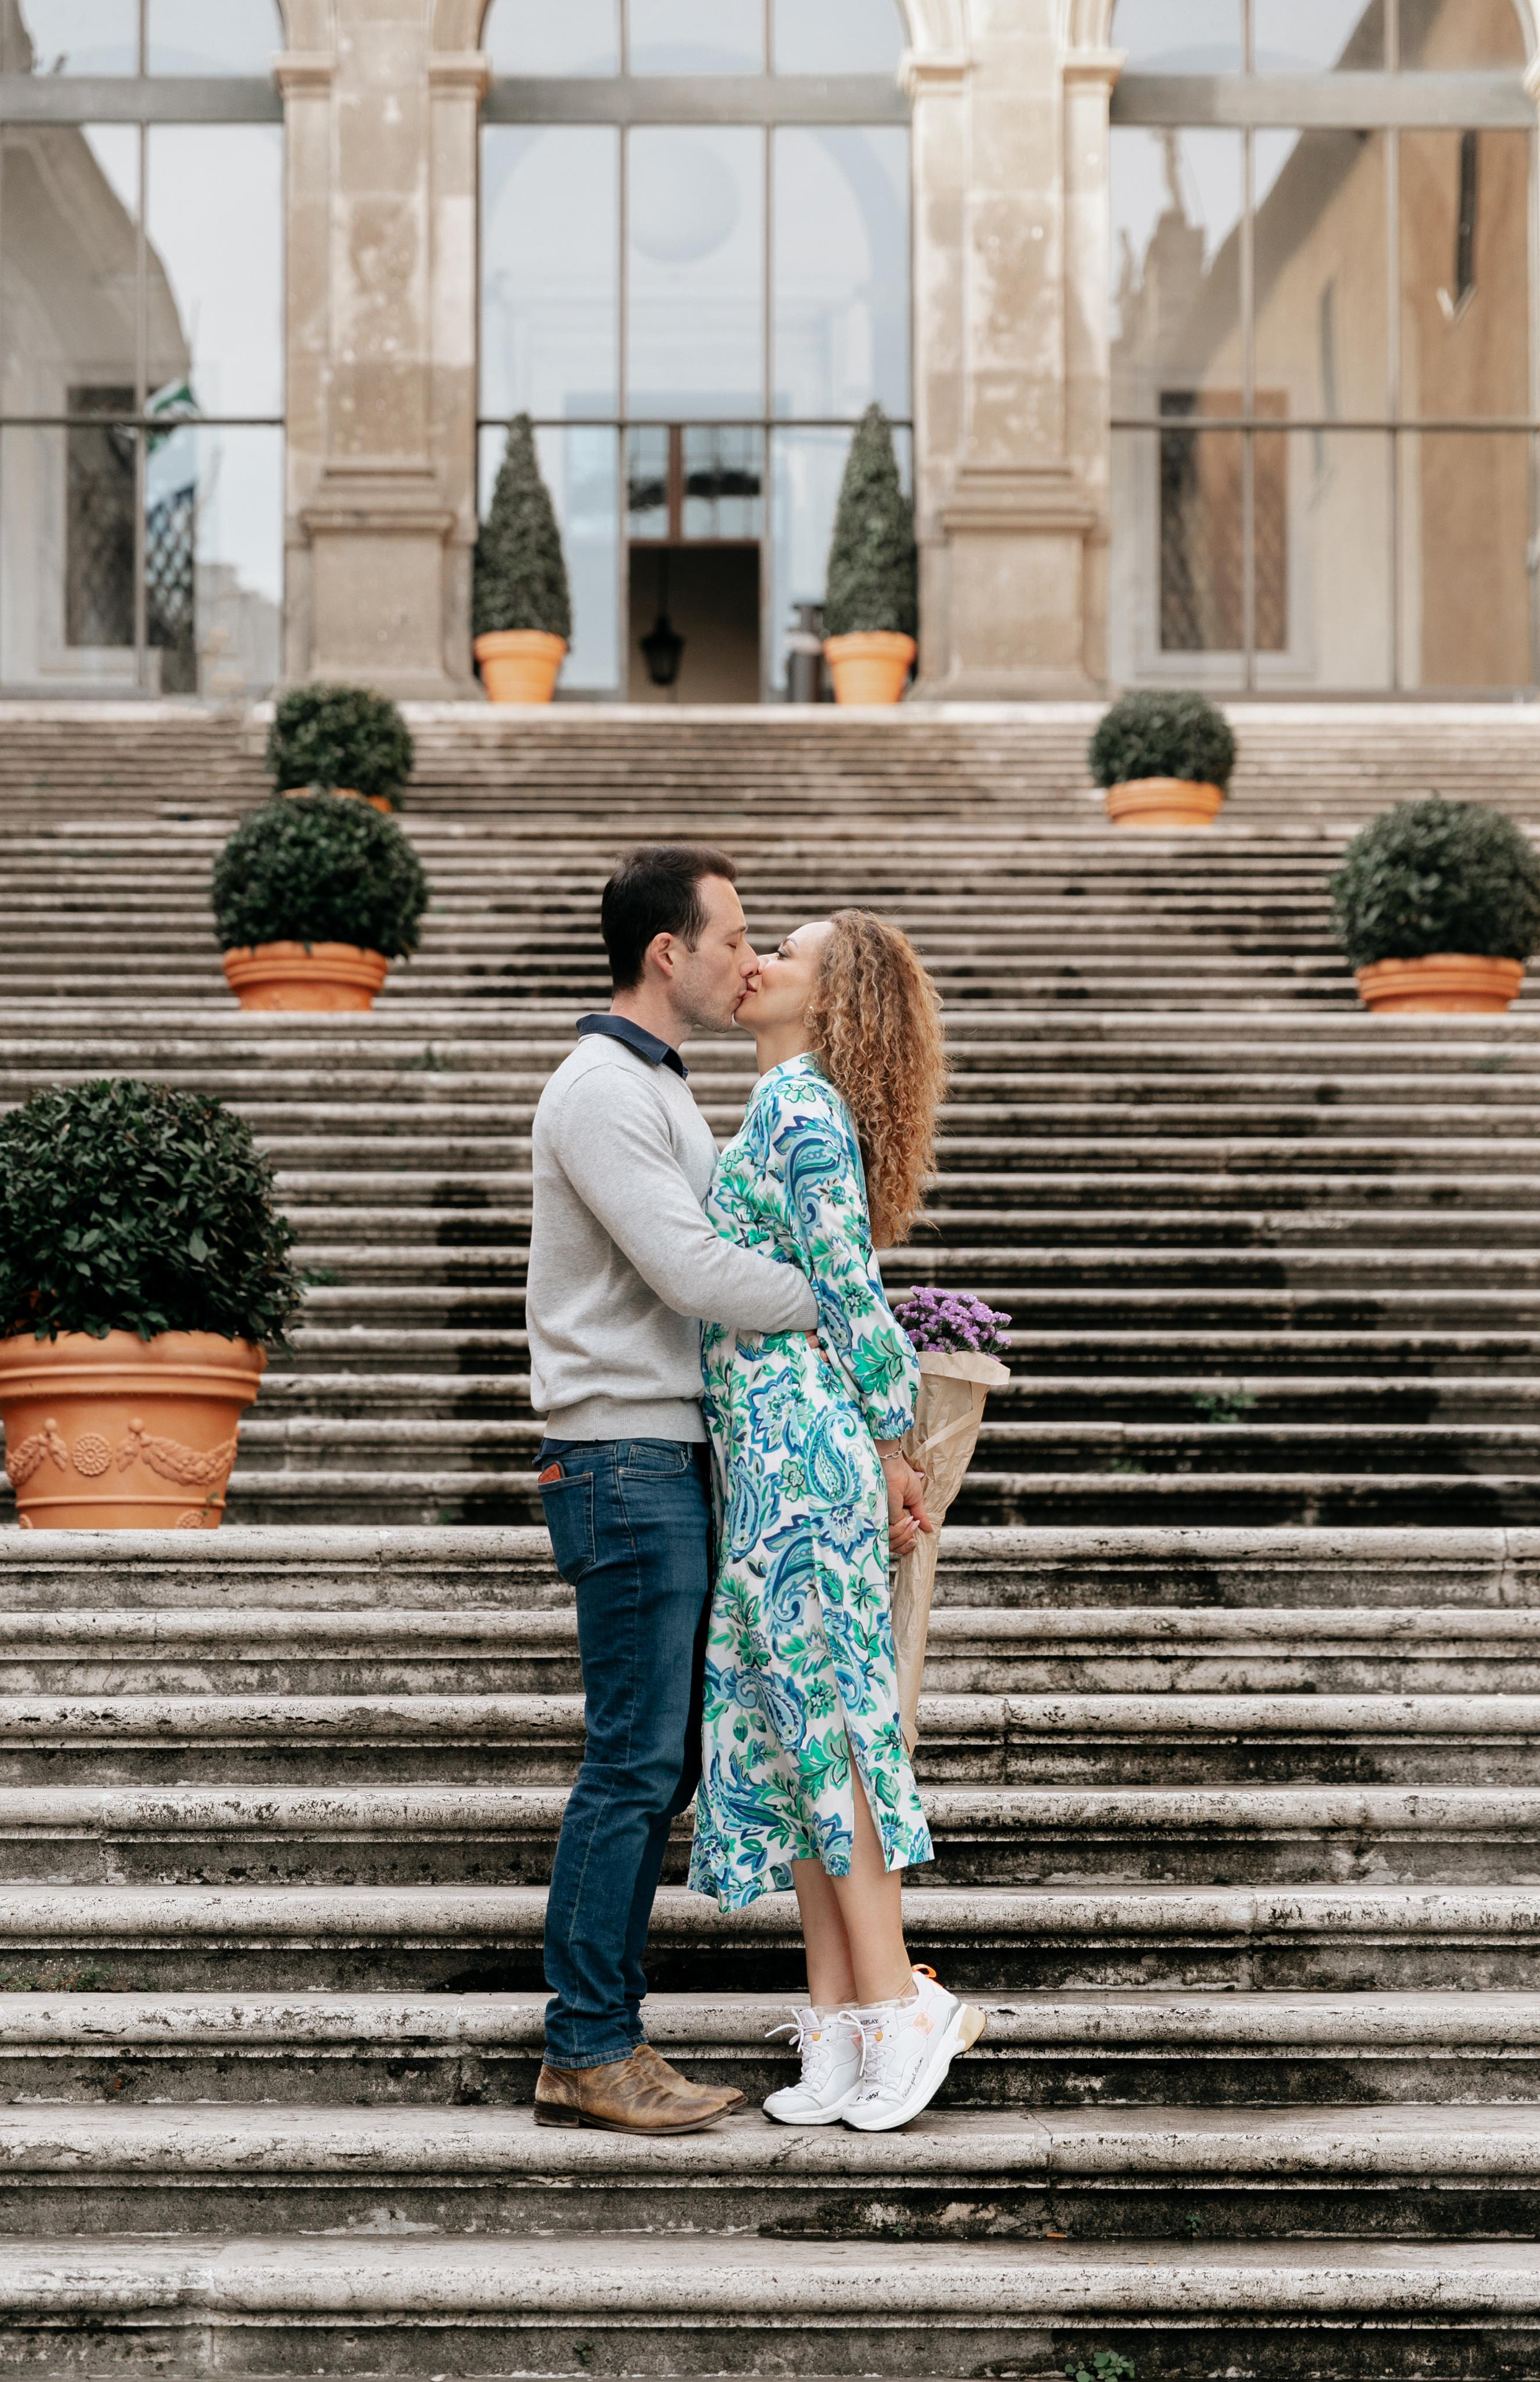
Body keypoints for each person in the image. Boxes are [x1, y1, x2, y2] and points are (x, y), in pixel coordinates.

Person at [526, 845, 822, 2136]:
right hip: (620, 1459)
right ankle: (588, 2044)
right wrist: (839, 1299)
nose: (748, 959)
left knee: (660, 1759)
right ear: (668, 952)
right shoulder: (600, 1089)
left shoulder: (654, 1083)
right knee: (635, 1760)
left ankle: (597, 2034)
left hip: (660, 1455)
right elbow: (692, 1271)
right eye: (732, 938)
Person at [689, 909, 980, 2132]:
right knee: (792, 1729)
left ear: (834, 996)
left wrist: (894, 1444)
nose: (755, 962)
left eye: (786, 955)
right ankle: (836, 2024)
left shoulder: (803, 1105)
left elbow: (849, 1285)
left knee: (834, 1732)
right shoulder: (783, 1103)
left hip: (803, 1453)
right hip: (767, 1455)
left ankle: (900, 2004)